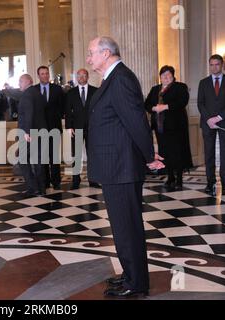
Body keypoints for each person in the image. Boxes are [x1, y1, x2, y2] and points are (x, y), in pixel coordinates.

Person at [86, 37, 164, 298]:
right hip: (114, 167)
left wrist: (149, 155)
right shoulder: (112, 78)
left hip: (121, 167)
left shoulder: (120, 78)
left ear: (106, 53)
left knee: (127, 227)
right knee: (122, 228)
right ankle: (131, 275)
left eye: (91, 53)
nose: (89, 59)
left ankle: (136, 283)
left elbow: (136, 121)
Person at [145, 66, 193, 191]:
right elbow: (147, 104)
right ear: (160, 77)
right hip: (160, 128)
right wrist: (155, 108)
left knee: (177, 153)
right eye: (163, 75)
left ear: (173, 76)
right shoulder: (155, 89)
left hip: (176, 127)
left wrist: (165, 106)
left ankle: (179, 179)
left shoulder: (180, 87)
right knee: (165, 152)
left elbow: (183, 101)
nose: (166, 78)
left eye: (168, 75)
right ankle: (170, 177)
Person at [197, 54, 225, 196]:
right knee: (209, 153)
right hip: (207, 123)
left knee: (224, 153)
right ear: (209, 65)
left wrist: (219, 117)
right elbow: (200, 103)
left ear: (222, 65)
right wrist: (209, 119)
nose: (214, 67)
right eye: (211, 64)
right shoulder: (203, 83)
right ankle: (210, 183)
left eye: (217, 64)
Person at [65, 68, 98, 189]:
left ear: (88, 77)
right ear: (76, 78)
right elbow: (68, 111)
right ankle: (75, 180)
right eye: (79, 76)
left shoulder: (95, 91)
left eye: (84, 75)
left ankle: (93, 179)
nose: (81, 78)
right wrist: (69, 127)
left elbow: (99, 110)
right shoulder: (71, 93)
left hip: (93, 128)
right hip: (76, 128)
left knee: (92, 154)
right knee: (76, 154)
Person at [34, 66, 65, 190]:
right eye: (42, 74)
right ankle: (45, 181)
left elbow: (63, 107)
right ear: (38, 76)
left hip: (54, 128)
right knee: (43, 156)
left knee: (55, 156)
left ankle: (56, 181)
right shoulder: (34, 90)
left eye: (47, 73)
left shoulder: (57, 89)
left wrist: (56, 115)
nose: (45, 76)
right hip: (39, 129)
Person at [17, 74, 47, 197]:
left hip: (30, 133)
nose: (19, 84)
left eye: (20, 81)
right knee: (38, 161)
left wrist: (27, 132)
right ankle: (41, 188)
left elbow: (29, 113)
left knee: (23, 160)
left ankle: (33, 187)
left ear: (28, 81)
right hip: (40, 131)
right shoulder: (37, 93)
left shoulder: (27, 94)